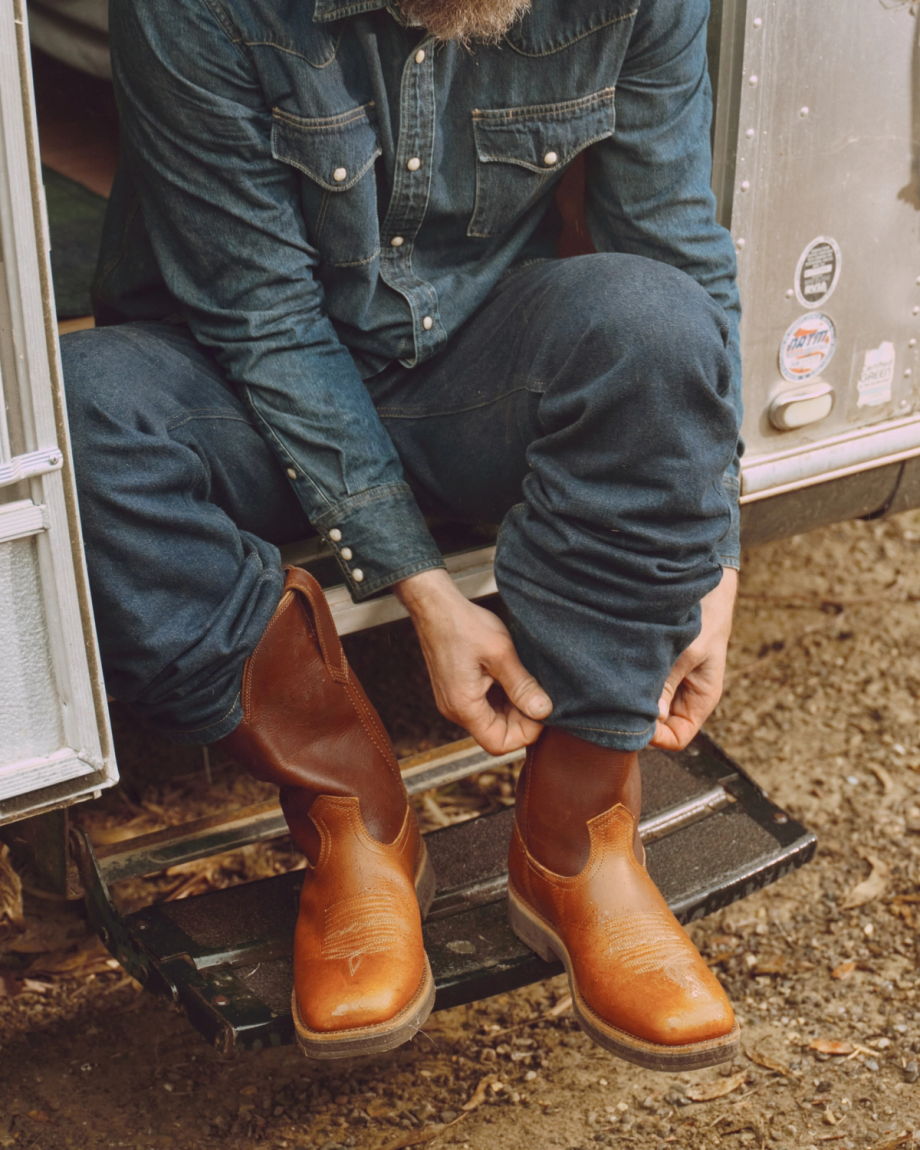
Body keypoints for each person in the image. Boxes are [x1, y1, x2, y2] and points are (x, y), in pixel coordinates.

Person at [62, 0, 743, 1069]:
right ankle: (353, 816)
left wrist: (716, 549)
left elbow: (674, 240)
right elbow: (262, 315)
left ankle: (575, 843)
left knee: (656, 326)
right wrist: (423, 592)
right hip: (243, 383)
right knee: (76, 418)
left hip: (474, 365)